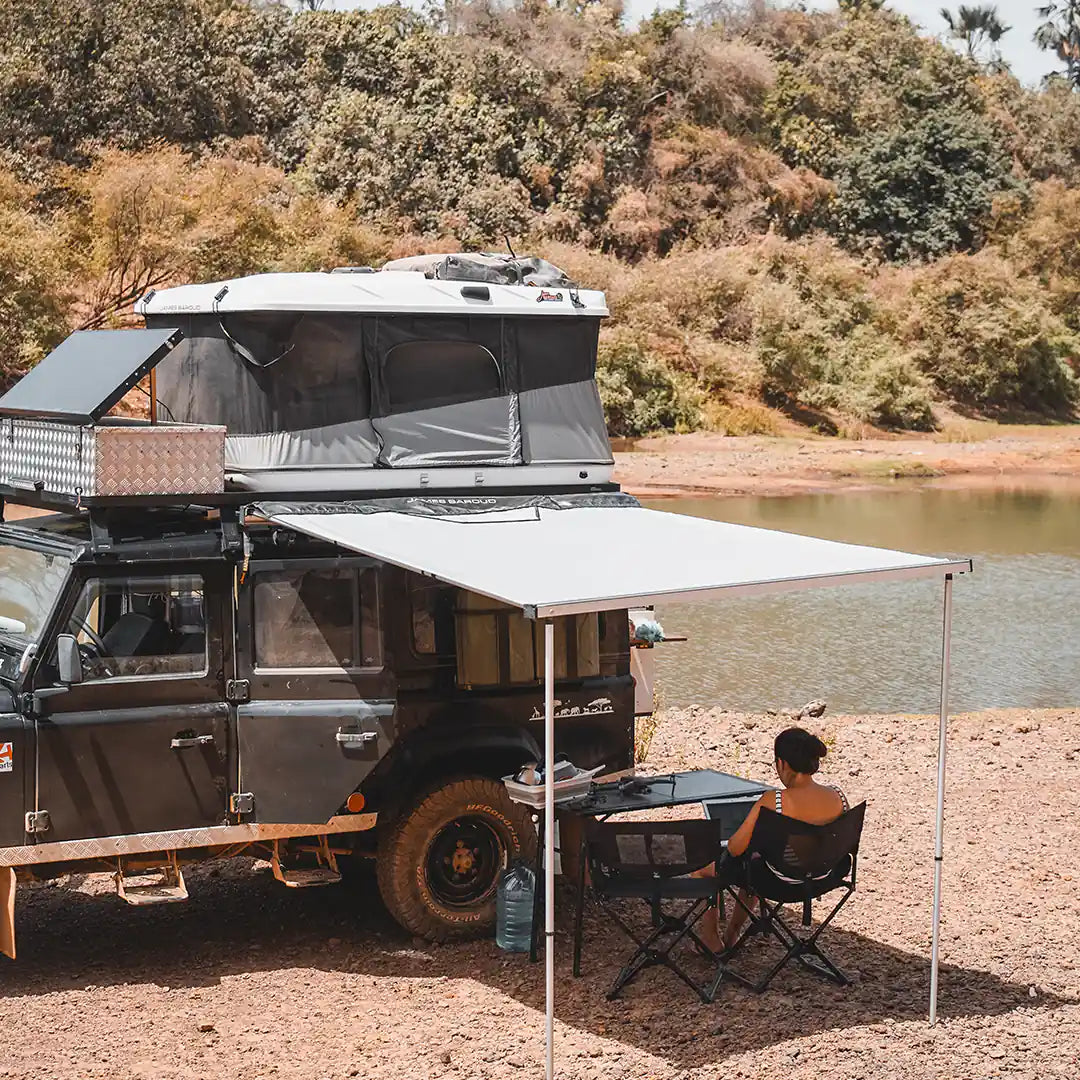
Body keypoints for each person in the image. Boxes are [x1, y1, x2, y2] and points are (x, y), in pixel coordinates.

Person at [698, 726, 849, 953]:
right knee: (757, 862)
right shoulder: (837, 796)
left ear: (782, 763)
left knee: (704, 867)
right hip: (824, 878)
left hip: (780, 882)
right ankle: (732, 934)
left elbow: (735, 848)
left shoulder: (774, 801)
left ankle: (711, 940)